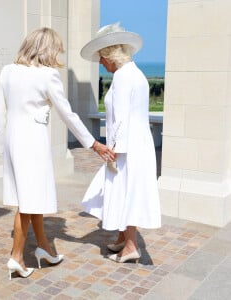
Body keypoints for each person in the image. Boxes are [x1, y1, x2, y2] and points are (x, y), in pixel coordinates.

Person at [0, 27, 115, 279]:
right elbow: (67, 114)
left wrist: (2, 148)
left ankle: (44, 248)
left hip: (11, 141)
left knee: (31, 196)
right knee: (27, 202)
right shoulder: (48, 75)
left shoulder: (7, 71)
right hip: (33, 143)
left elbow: (0, 113)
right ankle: (16, 257)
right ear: (48, 49)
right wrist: (93, 143)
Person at [81, 23, 161, 263]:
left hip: (127, 147)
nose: (101, 64)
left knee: (127, 192)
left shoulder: (124, 76)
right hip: (137, 144)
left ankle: (130, 246)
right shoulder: (133, 73)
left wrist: (114, 149)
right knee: (125, 191)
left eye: (102, 59)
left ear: (110, 55)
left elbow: (123, 116)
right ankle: (122, 237)